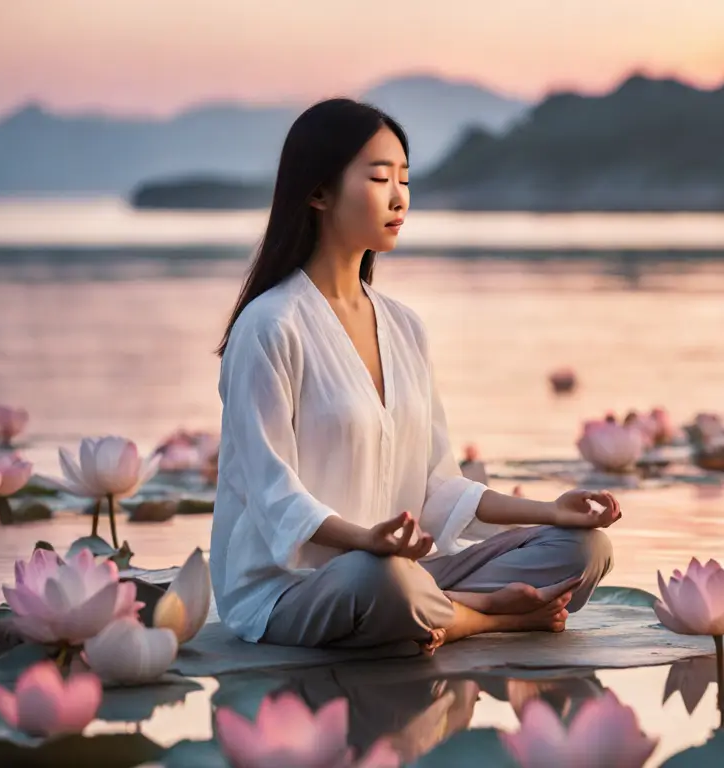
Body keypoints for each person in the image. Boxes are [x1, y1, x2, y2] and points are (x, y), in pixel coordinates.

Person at [210, 99, 618, 656]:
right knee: (380, 580)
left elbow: (437, 485)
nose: (399, 197)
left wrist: (551, 511)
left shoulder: (404, 327)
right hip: (296, 588)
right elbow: (272, 495)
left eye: (404, 179)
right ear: (318, 192)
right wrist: (366, 542)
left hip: (408, 574)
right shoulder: (270, 325)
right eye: (379, 178)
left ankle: (440, 613)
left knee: (583, 550)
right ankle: (487, 619)